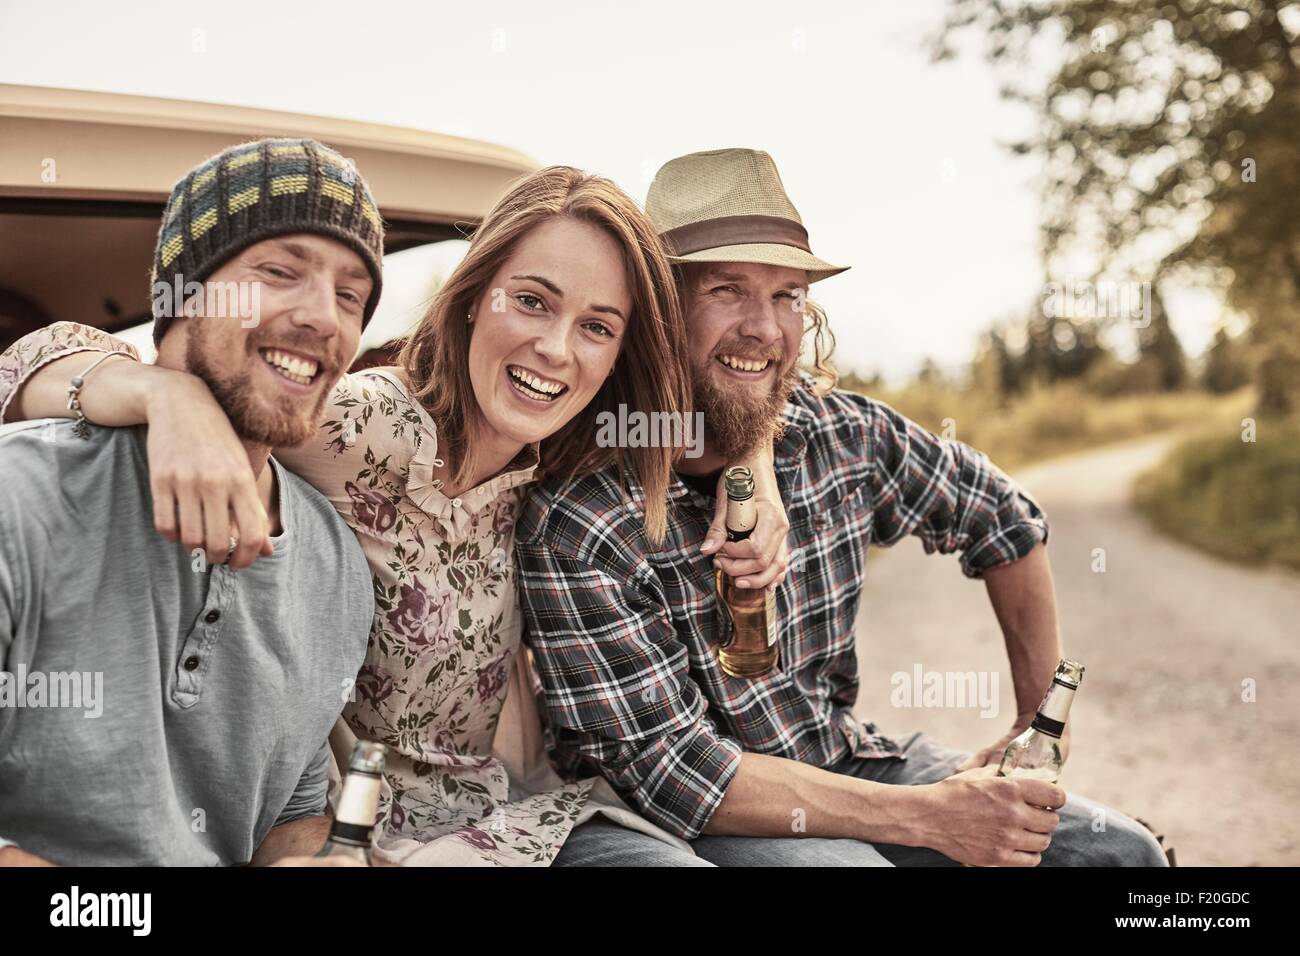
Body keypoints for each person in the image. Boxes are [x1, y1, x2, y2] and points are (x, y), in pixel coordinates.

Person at [0, 157, 790, 865]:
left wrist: (757, 469)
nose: (557, 348)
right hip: (381, 840)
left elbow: (739, 400)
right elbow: (52, 363)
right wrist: (159, 394)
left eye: (596, 327)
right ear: (475, 299)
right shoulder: (353, 428)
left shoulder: (566, 464)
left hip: (514, 822)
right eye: (531, 301)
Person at [518, 148, 1170, 867]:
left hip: (840, 761)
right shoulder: (580, 516)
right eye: (727, 289)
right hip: (689, 819)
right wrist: (930, 817)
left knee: (1120, 854)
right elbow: (677, 773)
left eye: (788, 295)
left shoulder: (839, 434)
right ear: (656, 313)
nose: (764, 328)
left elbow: (1004, 519)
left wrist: (1035, 720)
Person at [0, 137, 381, 866]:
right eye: (280, 271)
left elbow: (284, 817)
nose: (325, 318)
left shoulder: (337, 566)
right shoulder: (21, 498)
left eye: (350, 296)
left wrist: (314, 857)